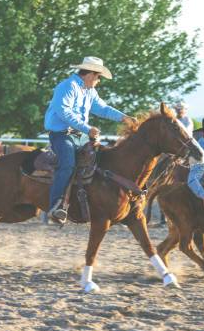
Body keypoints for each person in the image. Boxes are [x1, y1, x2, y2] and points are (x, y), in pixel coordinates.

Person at [44, 56, 136, 224]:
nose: (98, 80)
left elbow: (103, 109)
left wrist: (123, 118)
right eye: (98, 76)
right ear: (90, 74)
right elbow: (64, 112)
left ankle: (90, 200)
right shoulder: (67, 86)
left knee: (103, 158)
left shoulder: (89, 91)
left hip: (80, 135)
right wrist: (87, 129)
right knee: (67, 163)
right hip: (61, 134)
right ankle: (55, 205)